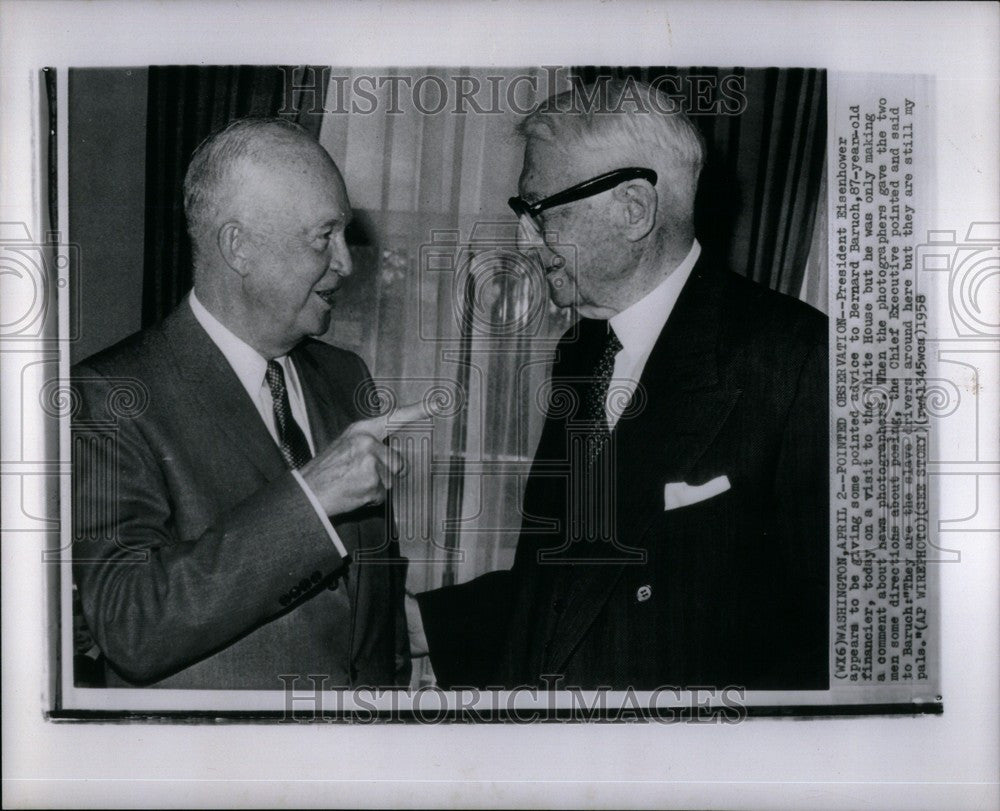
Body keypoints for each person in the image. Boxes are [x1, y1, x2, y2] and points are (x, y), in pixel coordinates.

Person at [416, 80, 829, 691]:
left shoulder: (796, 359)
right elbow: (565, 581)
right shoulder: (583, 352)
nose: (523, 240)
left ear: (634, 209)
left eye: (540, 210)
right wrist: (420, 624)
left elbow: (823, 636)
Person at [72, 118, 428, 689]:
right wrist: (309, 501)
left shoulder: (346, 377)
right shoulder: (109, 397)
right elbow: (128, 624)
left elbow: (375, 608)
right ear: (238, 247)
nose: (346, 263)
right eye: (324, 237)